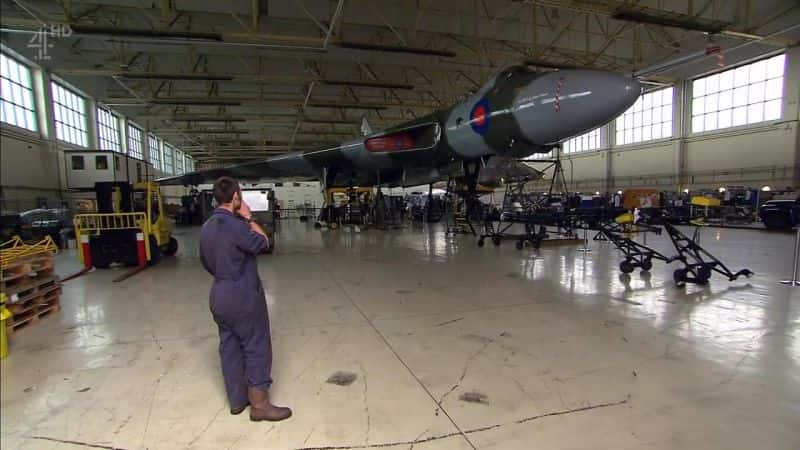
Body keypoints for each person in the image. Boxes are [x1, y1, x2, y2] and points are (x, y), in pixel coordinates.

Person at [199, 177, 292, 422]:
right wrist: (249, 218)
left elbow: (206, 262)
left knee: (229, 346)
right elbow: (263, 242)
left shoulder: (207, 226)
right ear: (236, 198)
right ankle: (260, 405)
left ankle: (237, 401)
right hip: (242, 295)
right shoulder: (237, 225)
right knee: (256, 345)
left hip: (219, 293)